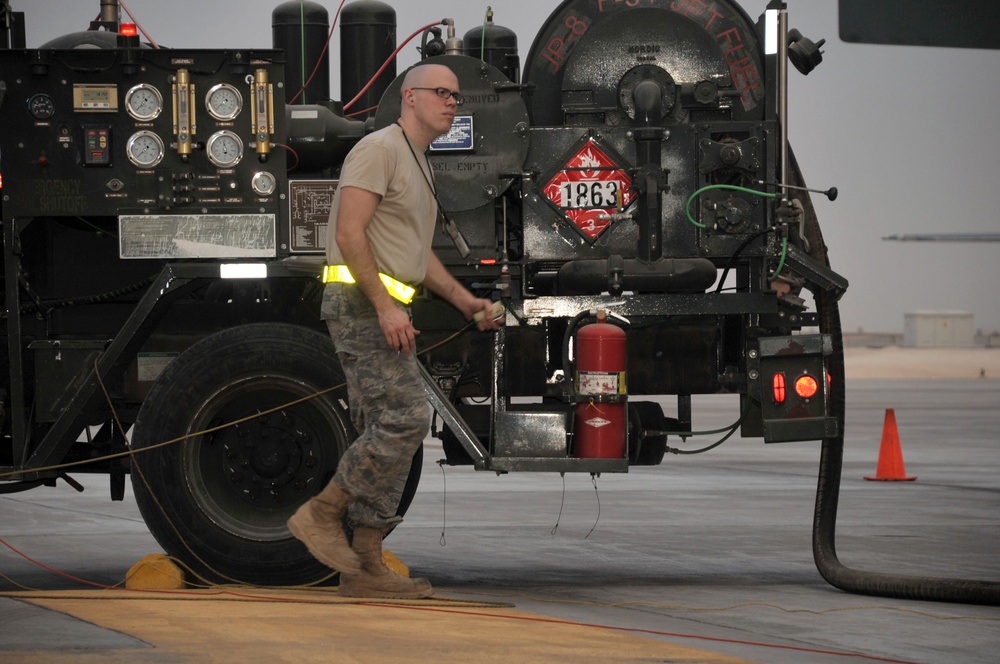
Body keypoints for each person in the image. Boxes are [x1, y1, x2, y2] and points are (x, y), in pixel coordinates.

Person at [287, 63, 500, 599]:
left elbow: (414, 254)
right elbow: (349, 232)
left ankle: (363, 568)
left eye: (457, 96)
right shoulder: (379, 148)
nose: (453, 103)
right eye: (442, 93)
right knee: (406, 418)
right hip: (360, 304)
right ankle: (321, 515)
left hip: (379, 306)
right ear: (410, 97)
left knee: (385, 426)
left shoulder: (416, 160)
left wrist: (465, 301)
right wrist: (384, 308)